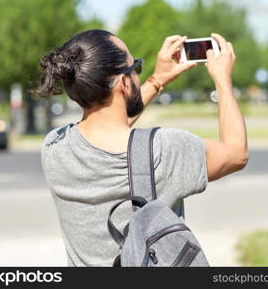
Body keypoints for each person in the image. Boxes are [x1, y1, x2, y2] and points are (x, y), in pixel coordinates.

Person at [36, 29, 248, 266]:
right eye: (135, 67)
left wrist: (157, 80)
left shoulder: (54, 146)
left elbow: (108, 124)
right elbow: (236, 153)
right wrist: (222, 80)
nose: (138, 74)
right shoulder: (163, 150)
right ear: (123, 83)